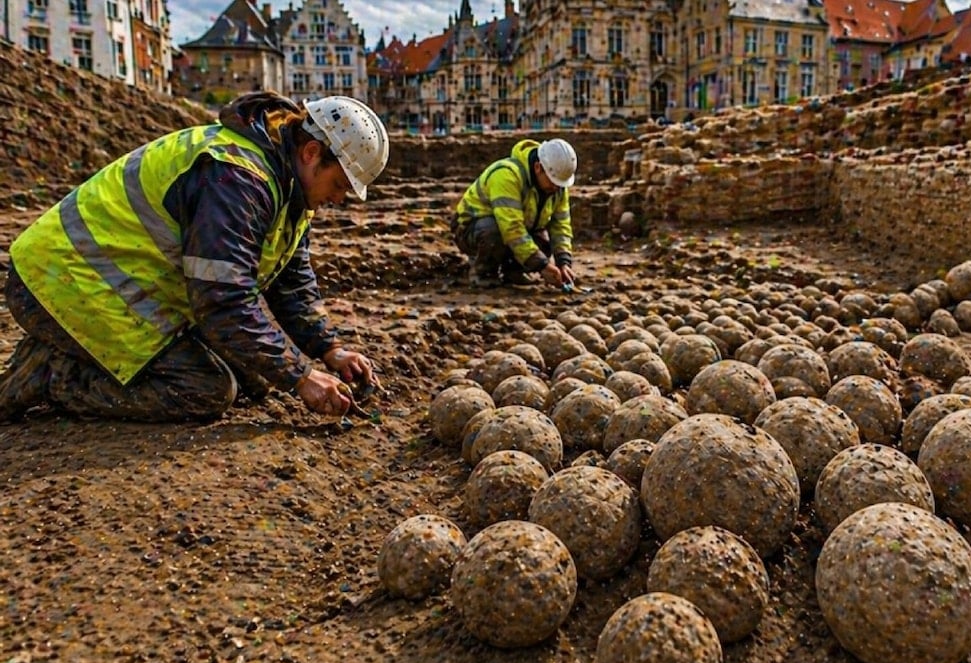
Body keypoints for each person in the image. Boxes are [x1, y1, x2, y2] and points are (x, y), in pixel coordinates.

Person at [0, 92, 390, 423]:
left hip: (110, 284)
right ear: (310, 152)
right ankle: (53, 372)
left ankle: (72, 357)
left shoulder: (288, 187)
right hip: (60, 284)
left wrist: (329, 349)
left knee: (253, 375)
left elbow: (291, 281)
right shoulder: (237, 179)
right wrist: (302, 376)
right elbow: (223, 301)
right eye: (339, 184)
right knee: (205, 390)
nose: (339, 199)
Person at [451, 138, 578, 289]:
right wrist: (542, 265)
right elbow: (512, 229)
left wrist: (564, 262)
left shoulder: (557, 187)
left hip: (515, 230)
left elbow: (561, 226)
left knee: (542, 242)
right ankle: (483, 272)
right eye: (553, 182)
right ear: (538, 167)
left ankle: (513, 272)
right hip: (471, 230)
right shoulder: (506, 175)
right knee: (494, 231)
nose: (557, 188)